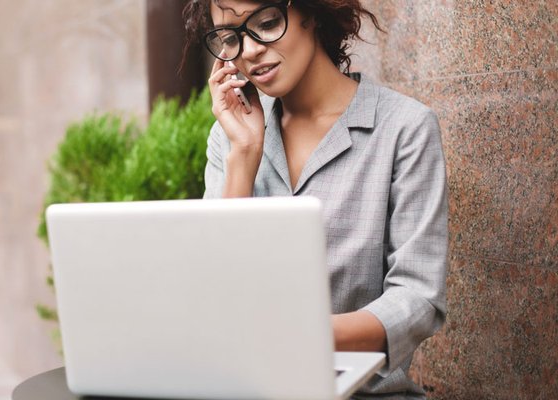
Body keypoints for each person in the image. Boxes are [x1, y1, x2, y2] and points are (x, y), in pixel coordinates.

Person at [182, 0, 448, 398]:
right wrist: (244, 156)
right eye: (231, 37)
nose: (250, 50)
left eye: (266, 22)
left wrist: (301, 335)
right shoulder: (230, 138)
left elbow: (418, 299)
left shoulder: (404, 129)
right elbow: (215, 295)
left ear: (310, 11)